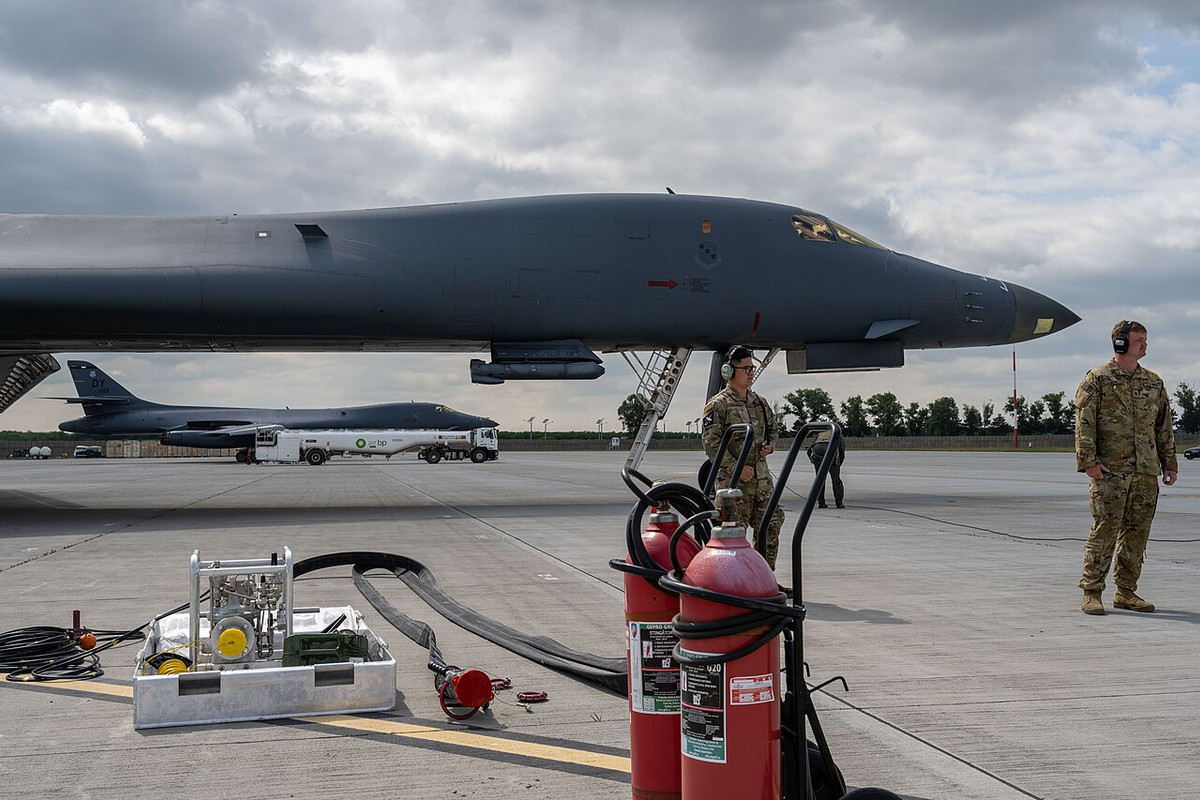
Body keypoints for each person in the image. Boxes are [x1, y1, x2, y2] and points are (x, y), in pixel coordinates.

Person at [1075, 320, 1178, 616]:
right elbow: (1085, 424)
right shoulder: (1098, 379)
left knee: (1137, 534)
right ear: (1120, 344)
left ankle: (1126, 592)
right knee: (1105, 530)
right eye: (1139, 340)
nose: (1145, 344)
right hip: (1110, 472)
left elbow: (1163, 428)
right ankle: (1092, 591)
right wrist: (1089, 462)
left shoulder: (1154, 382)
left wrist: (1169, 463)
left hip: (1145, 472)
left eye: (1145, 339)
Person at [701, 347, 787, 583]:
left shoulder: (759, 402)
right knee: (732, 534)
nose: (751, 373)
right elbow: (711, 443)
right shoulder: (718, 405)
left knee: (771, 524)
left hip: (761, 481)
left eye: (752, 368)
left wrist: (771, 445)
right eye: (746, 368)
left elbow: (774, 429)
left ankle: (765, 580)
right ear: (729, 371)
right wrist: (736, 468)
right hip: (733, 484)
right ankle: (733, 582)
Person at [806, 428, 845, 509]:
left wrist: (814, 461)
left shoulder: (820, 434)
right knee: (836, 479)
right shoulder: (837, 433)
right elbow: (841, 450)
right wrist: (837, 465)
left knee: (820, 479)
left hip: (817, 448)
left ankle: (821, 502)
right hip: (829, 447)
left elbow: (809, 449)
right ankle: (839, 502)